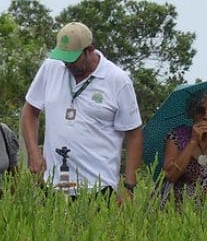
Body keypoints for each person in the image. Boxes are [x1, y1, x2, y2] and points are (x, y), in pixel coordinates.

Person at [21, 21, 143, 199]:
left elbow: (134, 134)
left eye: (72, 59)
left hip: (98, 187)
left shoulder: (117, 80)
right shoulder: (51, 67)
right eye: (63, 58)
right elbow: (29, 112)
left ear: (89, 50)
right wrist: (33, 152)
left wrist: (129, 187)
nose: (67, 64)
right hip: (53, 185)